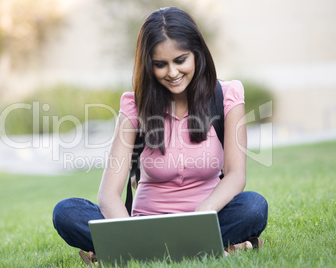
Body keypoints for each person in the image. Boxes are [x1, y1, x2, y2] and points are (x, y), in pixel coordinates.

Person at [53, 6, 268, 261]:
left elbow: (236, 176)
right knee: (66, 212)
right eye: (160, 65)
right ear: (148, 65)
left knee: (253, 206)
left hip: (208, 218)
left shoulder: (227, 96)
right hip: (145, 224)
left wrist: (201, 217)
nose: (173, 73)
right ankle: (204, 249)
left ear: (197, 54)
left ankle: (133, 254)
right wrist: (129, 232)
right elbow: (109, 194)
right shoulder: (134, 106)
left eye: (180, 60)